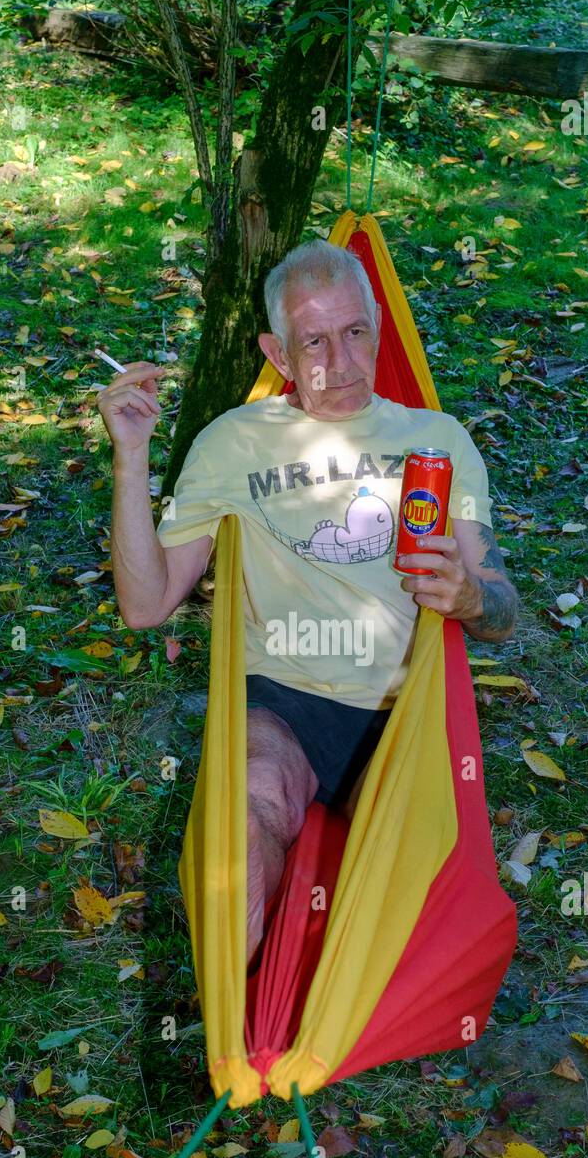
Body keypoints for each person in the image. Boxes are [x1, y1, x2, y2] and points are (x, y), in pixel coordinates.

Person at [99, 239, 519, 964]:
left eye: (355, 332)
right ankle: (243, 1029)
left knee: (418, 896)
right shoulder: (231, 444)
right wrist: (130, 455)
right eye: (314, 342)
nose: (341, 361)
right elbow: (145, 606)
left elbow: (504, 613)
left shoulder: (437, 441)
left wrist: (472, 597)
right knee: (248, 807)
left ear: (379, 325)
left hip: (401, 706)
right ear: (279, 354)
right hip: (283, 698)